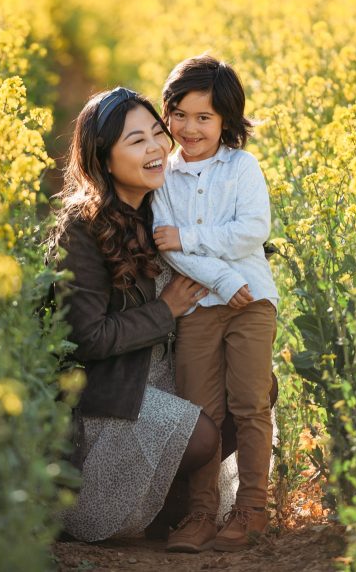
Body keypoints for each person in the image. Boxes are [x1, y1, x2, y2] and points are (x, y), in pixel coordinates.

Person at [49, 87, 220, 542]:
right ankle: (125, 509)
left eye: (157, 133)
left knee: (251, 390)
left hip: (160, 370)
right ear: (104, 159)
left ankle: (171, 506)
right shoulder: (81, 229)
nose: (155, 148)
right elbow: (88, 337)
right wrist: (166, 310)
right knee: (202, 437)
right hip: (111, 392)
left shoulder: (163, 208)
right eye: (136, 140)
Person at [151, 55, 279, 552]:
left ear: (226, 119)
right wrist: (223, 276)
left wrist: (189, 237)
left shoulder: (243, 168)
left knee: (249, 404)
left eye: (203, 117)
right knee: (198, 411)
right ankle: (201, 514)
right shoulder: (165, 176)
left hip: (253, 302)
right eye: (179, 114)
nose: (189, 127)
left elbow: (253, 231)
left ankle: (252, 507)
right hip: (203, 304)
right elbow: (168, 248)